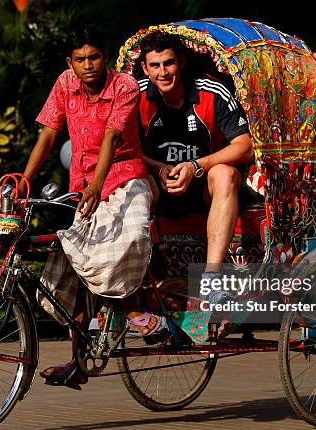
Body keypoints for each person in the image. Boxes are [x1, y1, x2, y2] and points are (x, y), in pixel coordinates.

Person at [20, 25, 163, 390]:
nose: (88, 66)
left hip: (126, 177)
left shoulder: (125, 87)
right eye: (80, 59)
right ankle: (79, 363)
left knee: (127, 235)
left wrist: (98, 184)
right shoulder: (64, 84)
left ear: (106, 57)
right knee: (77, 264)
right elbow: (50, 133)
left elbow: (113, 137)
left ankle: (133, 309)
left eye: (94, 57)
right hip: (83, 186)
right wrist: (24, 178)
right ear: (70, 62)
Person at [137, 31, 254, 330]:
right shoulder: (135, 96)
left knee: (227, 173)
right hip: (160, 184)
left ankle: (212, 281)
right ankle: (136, 283)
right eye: (155, 66)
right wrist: (158, 167)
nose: (163, 73)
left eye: (169, 63)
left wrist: (195, 166)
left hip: (205, 185)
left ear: (181, 62)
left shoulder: (211, 92)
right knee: (133, 181)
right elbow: (121, 147)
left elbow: (244, 145)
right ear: (145, 69)